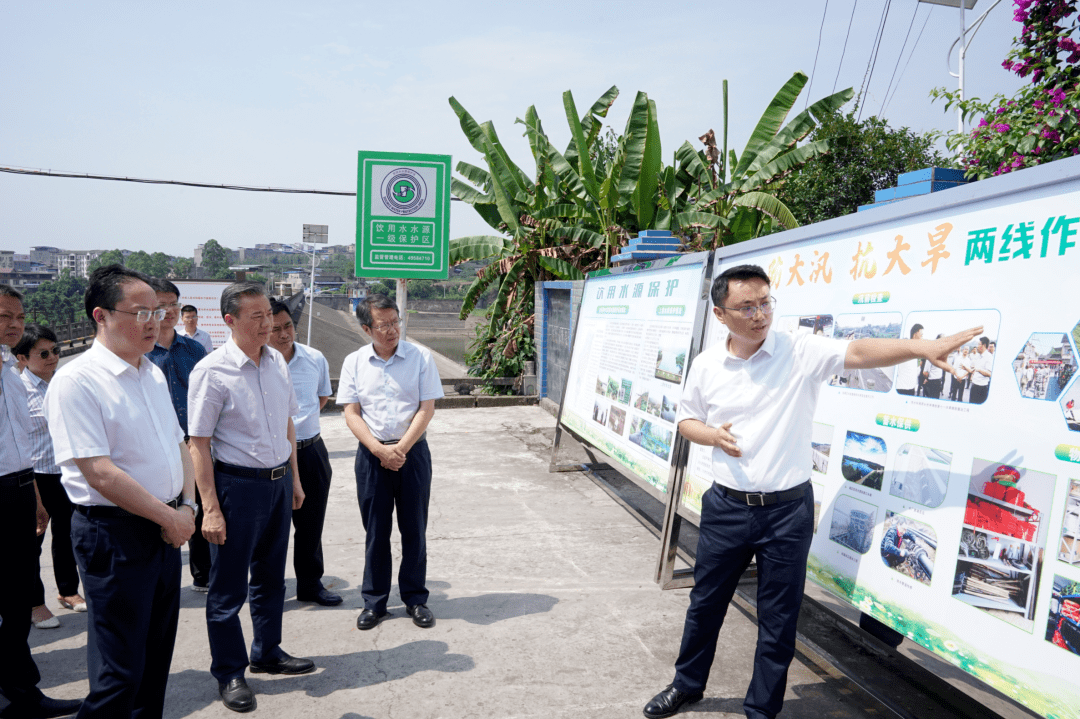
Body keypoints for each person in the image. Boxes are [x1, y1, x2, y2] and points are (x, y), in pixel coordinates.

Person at [642, 265, 980, 719]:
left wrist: (922, 347)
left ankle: (761, 710)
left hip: (786, 513)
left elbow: (859, 352)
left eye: (765, 302)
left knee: (778, 620)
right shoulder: (706, 365)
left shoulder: (798, 350)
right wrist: (711, 436)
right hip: (726, 507)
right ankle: (687, 685)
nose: (760, 314)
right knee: (705, 604)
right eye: (747, 306)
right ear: (721, 315)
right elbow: (686, 420)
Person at [45, 266, 198, 718]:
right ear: (101, 316)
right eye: (140, 312)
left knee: (154, 663)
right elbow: (99, 473)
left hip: (167, 529)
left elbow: (179, 445)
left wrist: (186, 506)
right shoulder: (78, 381)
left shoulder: (149, 372)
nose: (153, 321)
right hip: (116, 535)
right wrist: (171, 518)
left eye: (159, 310)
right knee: (120, 673)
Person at [188, 282, 314, 713]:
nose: (268, 326)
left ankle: (267, 651)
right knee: (227, 589)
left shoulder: (277, 361)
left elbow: (288, 425)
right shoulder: (211, 371)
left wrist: (294, 480)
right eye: (256, 317)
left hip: (278, 483)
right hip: (236, 488)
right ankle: (229, 671)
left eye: (270, 316)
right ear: (229, 321)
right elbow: (198, 443)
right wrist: (210, 508)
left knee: (270, 578)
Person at [0, 286, 83, 719]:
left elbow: (20, 445)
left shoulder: (7, 373)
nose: (13, 325)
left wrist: (31, 494)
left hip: (18, 488)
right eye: (3, 316)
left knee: (15, 599)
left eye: (18, 316)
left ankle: (23, 693)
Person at [338, 294, 444, 631]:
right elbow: (351, 412)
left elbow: (426, 408)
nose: (392, 329)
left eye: (395, 321)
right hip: (372, 456)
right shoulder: (354, 362)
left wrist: (400, 448)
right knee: (376, 531)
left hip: (412, 454)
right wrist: (379, 450)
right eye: (383, 325)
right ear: (367, 328)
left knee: (414, 528)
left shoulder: (420, 357)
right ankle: (374, 602)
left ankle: (415, 598)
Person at [266, 300, 340, 607]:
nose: (284, 335)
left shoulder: (314, 358)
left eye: (288, 327)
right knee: (272, 530)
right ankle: (270, 590)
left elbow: (322, 397)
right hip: (273, 458)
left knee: (311, 525)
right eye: (275, 329)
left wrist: (300, 427)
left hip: (311, 451)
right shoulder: (260, 363)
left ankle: (311, 584)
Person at [15, 325, 86, 631]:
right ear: (23, 357)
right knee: (32, 542)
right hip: (33, 477)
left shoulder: (64, 384)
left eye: (55, 351)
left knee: (68, 534)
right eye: (43, 353)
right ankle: (33, 602)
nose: (52, 357)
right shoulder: (17, 390)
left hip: (65, 471)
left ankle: (67, 590)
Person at [145, 279, 211, 592]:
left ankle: (203, 575)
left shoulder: (194, 349)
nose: (169, 311)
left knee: (196, 506)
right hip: (154, 447)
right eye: (160, 305)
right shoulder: (140, 353)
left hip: (193, 443)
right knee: (159, 513)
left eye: (173, 304)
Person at [894, 324, 924, 396]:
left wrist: (919, 367)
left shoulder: (916, 352)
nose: (922, 337)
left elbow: (914, 372)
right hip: (901, 389)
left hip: (911, 389)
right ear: (914, 334)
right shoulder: (904, 349)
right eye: (921, 334)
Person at [969, 337, 993, 405]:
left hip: (981, 388)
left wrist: (978, 370)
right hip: (974, 385)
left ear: (984, 345)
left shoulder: (989, 357)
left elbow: (989, 373)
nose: (977, 346)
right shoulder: (978, 356)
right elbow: (976, 369)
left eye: (979, 344)